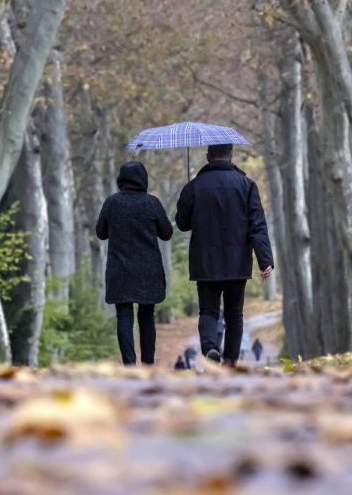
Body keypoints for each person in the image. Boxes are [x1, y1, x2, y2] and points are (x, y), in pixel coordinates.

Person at [175, 143, 274, 367]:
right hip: (237, 261)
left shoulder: (194, 186)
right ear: (231, 156)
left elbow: (182, 223)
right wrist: (265, 260)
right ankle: (230, 361)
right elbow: (257, 226)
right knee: (234, 314)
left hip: (205, 261)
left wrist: (187, 198)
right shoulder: (247, 185)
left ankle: (210, 347)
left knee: (208, 310)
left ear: (208, 156)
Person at [96, 161, 173, 365]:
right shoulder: (152, 203)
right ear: (143, 179)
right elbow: (167, 233)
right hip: (148, 270)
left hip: (120, 269)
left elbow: (101, 233)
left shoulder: (112, 203)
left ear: (121, 179)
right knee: (147, 316)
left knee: (124, 315)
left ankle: (129, 365)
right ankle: (148, 364)